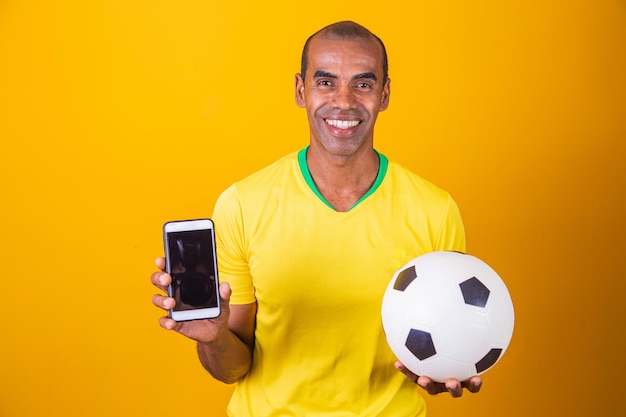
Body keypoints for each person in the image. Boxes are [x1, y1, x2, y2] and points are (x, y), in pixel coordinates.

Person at [151, 20, 482, 416]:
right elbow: (232, 368)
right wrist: (213, 337)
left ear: (385, 94)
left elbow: (441, 341)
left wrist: (446, 367)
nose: (343, 101)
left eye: (363, 84)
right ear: (300, 90)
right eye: (326, 82)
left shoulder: (435, 211)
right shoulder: (242, 203)